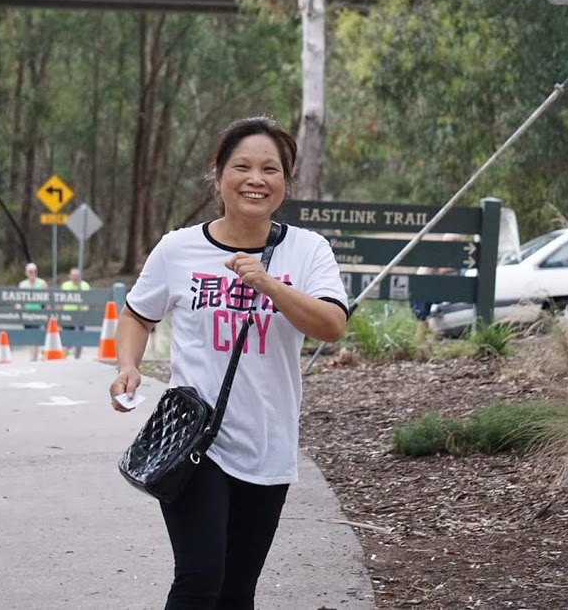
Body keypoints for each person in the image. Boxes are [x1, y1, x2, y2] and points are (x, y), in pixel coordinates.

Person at [108, 116, 349, 609]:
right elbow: (136, 315)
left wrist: (270, 285)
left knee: (237, 591)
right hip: (196, 439)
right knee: (199, 579)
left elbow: (331, 326)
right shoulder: (178, 249)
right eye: (242, 167)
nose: (256, 179)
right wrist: (126, 365)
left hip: (268, 442)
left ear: (285, 182)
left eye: (270, 169)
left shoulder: (308, 250)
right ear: (218, 176)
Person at [18, 262, 48, 361]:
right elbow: (19, 299)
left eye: (34, 271)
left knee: (36, 335)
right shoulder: (22, 284)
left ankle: (34, 357)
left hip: (38, 313)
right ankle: (33, 356)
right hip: (27, 313)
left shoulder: (42, 283)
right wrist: (18, 306)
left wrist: (46, 312)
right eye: (30, 271)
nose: (32, 273)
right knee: (29, 335)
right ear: (26, 272)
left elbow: (47, 299)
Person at [59, 267, 90, 358]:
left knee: (79, 336)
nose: (75, 277)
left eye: (77, 276)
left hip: (80, 315)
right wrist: (61, 313)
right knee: (67, 337)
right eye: (73, 275)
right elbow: (60, 301)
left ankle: (77, 357)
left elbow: (88, 300)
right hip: (68, 315)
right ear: (70, 276)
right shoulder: (65, 285)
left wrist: (85, 312)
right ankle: (64, 356)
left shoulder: (85, 286)